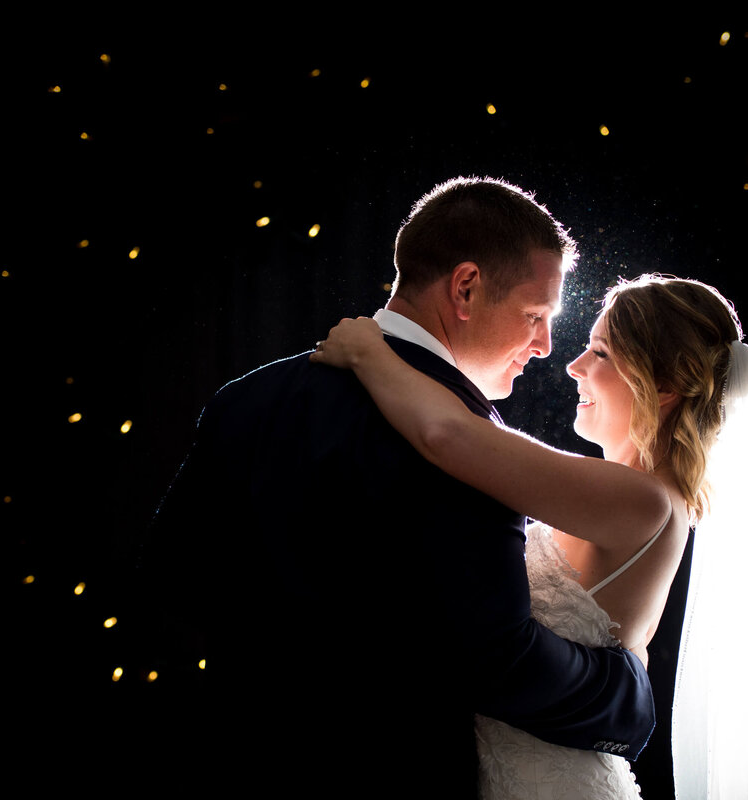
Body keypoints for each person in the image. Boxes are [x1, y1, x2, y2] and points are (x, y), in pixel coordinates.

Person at [143, 177, 656, 798]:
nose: (545, 345)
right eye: (535, 315)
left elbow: (172, 575)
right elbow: (496, 661)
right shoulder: (475, 445)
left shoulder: (248, 397)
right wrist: (624, 696)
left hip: (240, 762)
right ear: (465, 287)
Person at [310, 275, 748, 798]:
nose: (573, 366)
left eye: (600, 353)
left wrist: (370, 354)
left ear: (663, 385)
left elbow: (450, 435)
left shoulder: (644, 501)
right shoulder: (630, 496)